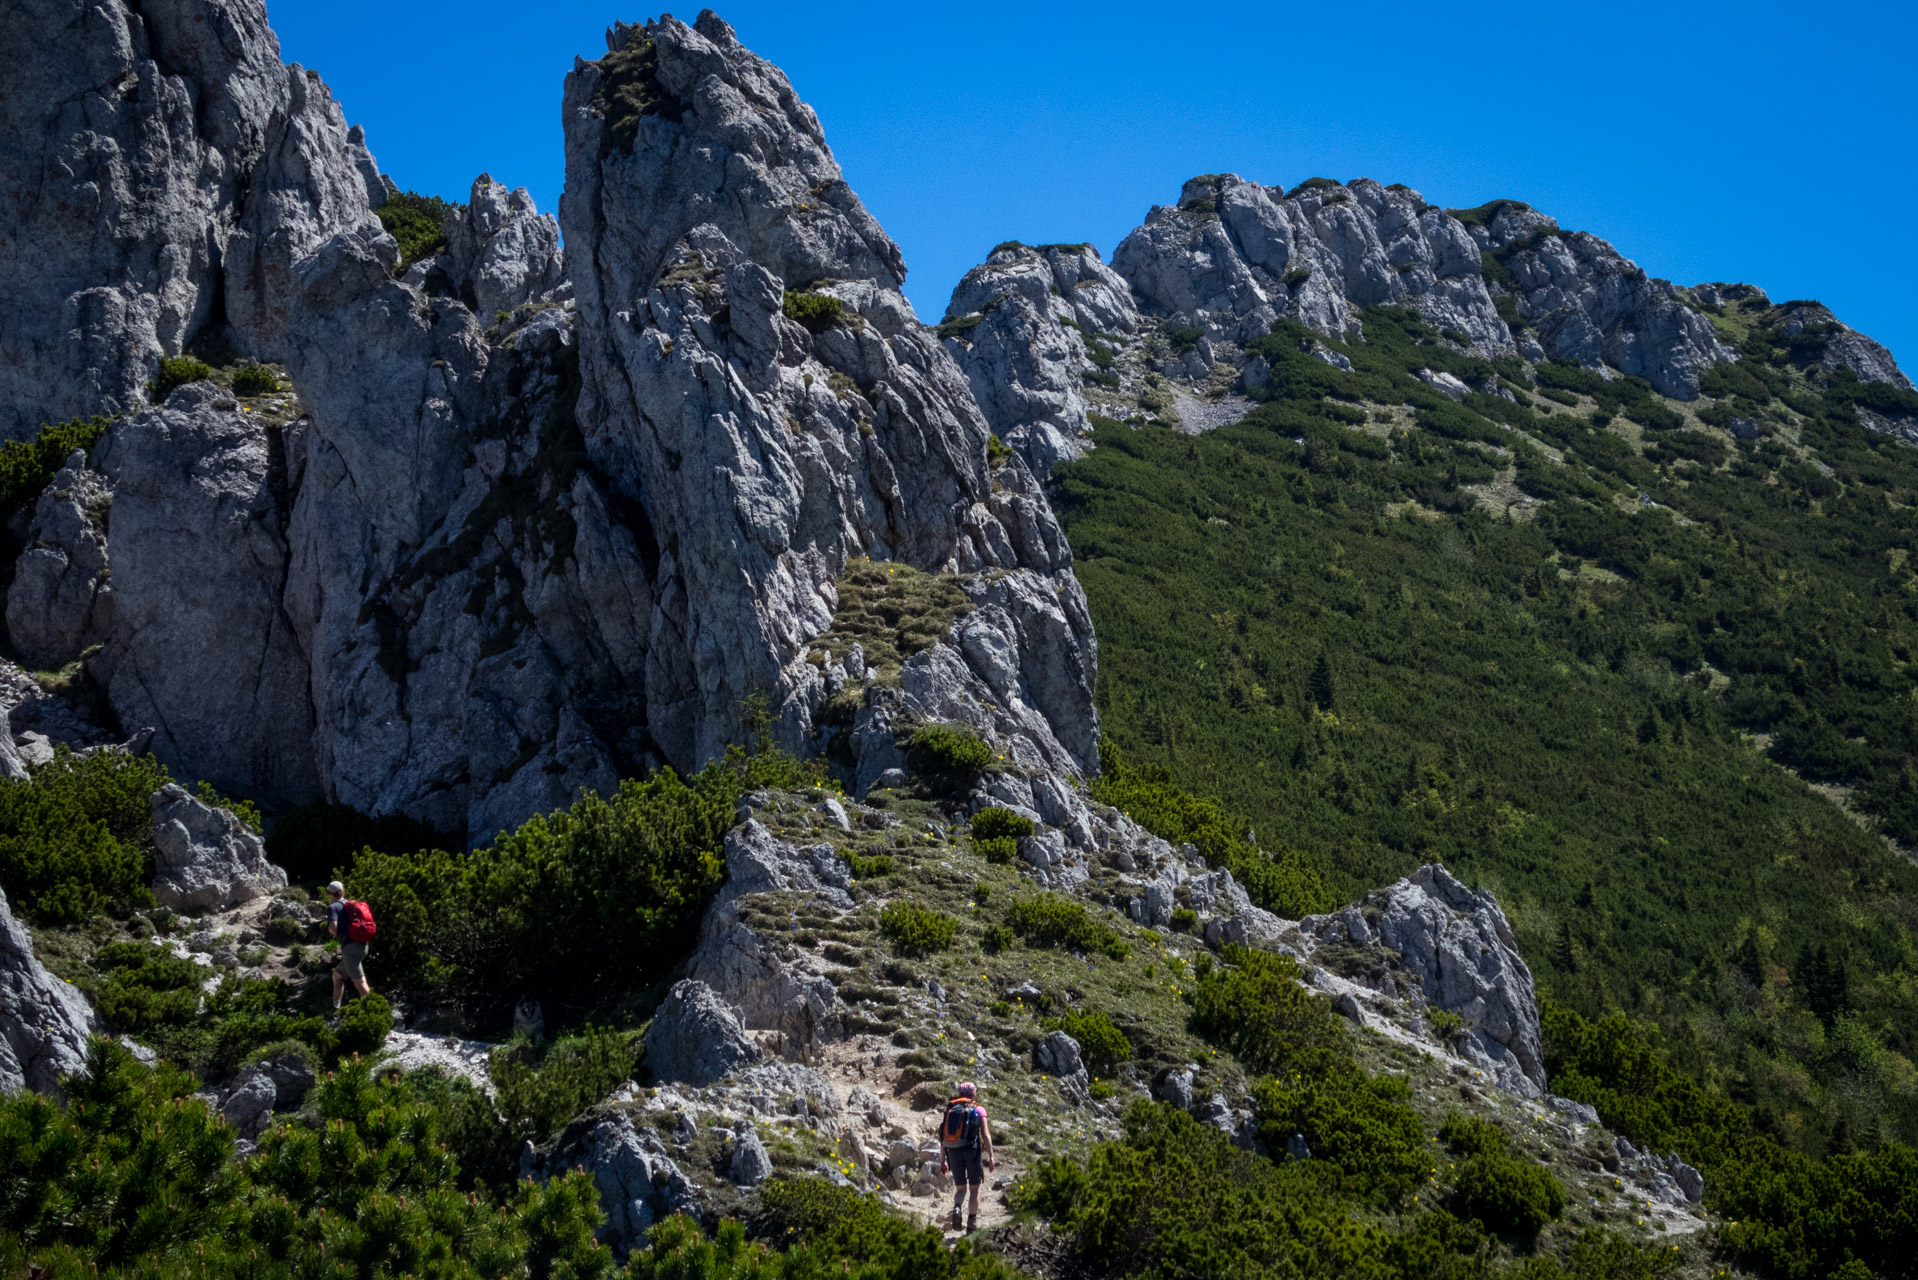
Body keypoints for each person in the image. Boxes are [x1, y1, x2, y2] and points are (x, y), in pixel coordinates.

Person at [938, 1081, 994, 1233]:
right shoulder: (978, 1109)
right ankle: (971, 1224)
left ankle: (957, 1207)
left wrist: (943, 1161)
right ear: (973, 1093)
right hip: (972, 1151)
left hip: (953, 1152)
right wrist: (991, 1156)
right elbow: (985, 1134)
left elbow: (943, 1137)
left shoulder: (950, 1109)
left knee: (960, 1188)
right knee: (974, 1189)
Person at [326, 880, 373, 1009]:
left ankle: (374, 1010)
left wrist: (331, 930)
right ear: (343, 891)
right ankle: (336, 1007)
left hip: (350, 948)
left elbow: (333, 928)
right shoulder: (351, 904)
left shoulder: (333, 907)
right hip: (363, 945)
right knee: (337, 975)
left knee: (360, 982)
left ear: (330, 894)